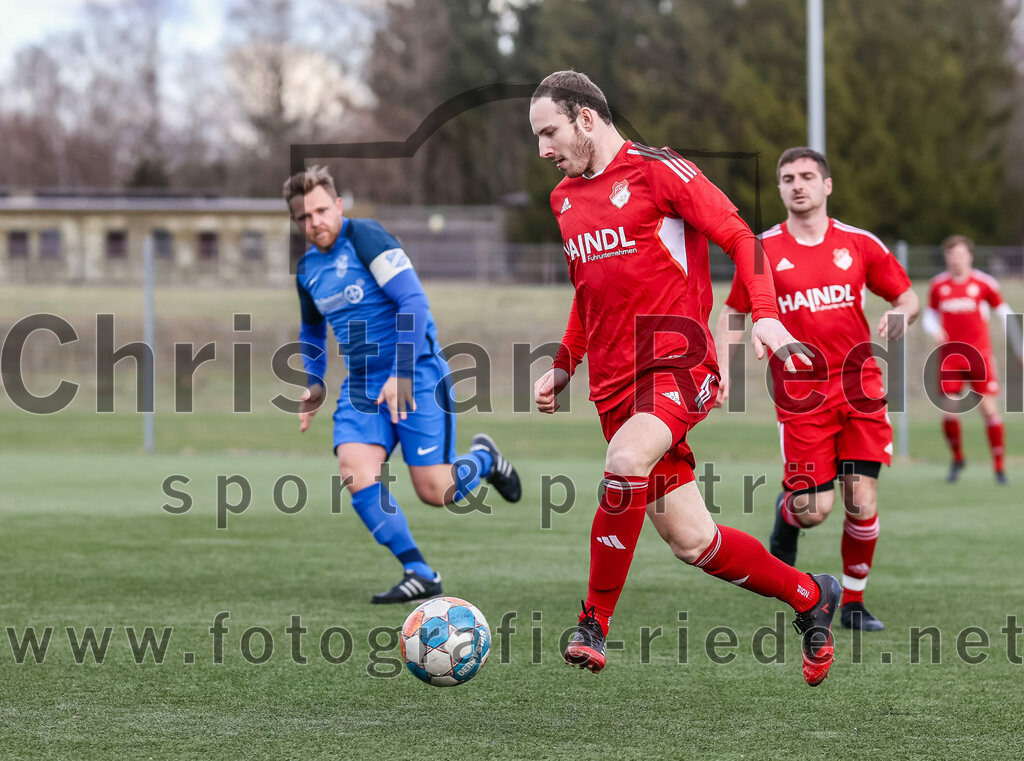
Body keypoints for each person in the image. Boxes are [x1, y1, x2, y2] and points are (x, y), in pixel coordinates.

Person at [529, 70, 841, 687]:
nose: (543, 149)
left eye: (550, 132)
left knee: (625, 459)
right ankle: (811, 596)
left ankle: (593, 623)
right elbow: (587, 293)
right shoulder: (564, 201)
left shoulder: (660, 170)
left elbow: (742, 239)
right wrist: (565, 365)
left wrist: (769, 319)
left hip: (679, 365)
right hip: (614, 386)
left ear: (586, 118)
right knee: (692, 540)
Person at [284, 165, 521, 603]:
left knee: (435, 490)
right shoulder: (307, 270)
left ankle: (485, 460)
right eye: (303, 217)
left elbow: (412, 299)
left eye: (321, 210)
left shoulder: (366, 237)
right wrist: (314, 384)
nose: (314, 222)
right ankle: (420, 572)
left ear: (338, 206)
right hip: (362, 386)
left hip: (418, 372)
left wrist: (403, 372)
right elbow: (312, 331)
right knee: (355, 471)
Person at [715, 146, 919, 633]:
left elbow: (908, 295)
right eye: (787, 178)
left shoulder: (859, 243)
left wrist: (900, 313)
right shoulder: (762, 248)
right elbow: (734, 313)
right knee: (814, 510)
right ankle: (787, 517)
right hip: (802, 396)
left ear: (827, 185)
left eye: (807, 176)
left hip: (860, 389)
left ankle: (852, 602)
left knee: (862, 499)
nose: (797, 184)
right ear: (781, 189)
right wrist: (723, 366)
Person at [924, 235, 1022, 484]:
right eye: (950, 255)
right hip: (950, 359)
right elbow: (929, 315)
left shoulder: (984, 283)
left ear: (969, 256)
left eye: (959, 254)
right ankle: (957, 458)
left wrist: (1019, 348)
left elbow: (1004, 313)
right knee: (949, 412)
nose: (955, 259)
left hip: (979, 357)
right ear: (946, 257)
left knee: (989, 411)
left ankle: (999, 468)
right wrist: (934, 329)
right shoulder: (938, 285)